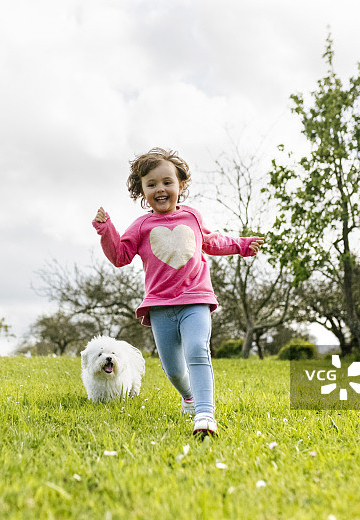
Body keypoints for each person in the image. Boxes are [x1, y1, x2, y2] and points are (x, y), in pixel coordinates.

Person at [92, 147, 264, 437]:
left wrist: (241, 245)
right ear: (142, 191)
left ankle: (205, 416)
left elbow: (211, 241)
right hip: (159, 307)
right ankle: (189, 396)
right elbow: (120, 255)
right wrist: (105, 228)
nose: (161, 189)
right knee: (173, 370)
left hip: (196, 299)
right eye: (151, 184)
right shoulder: (141, 225)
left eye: (167, 182)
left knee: (198, 351)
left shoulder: (192, 217)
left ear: (181, 185)